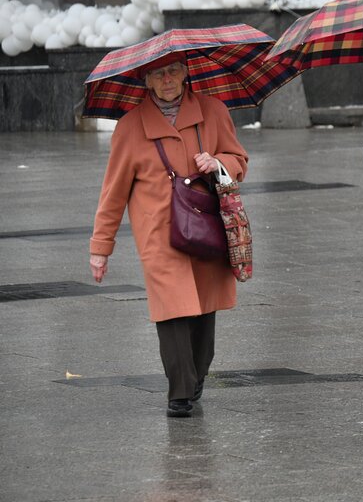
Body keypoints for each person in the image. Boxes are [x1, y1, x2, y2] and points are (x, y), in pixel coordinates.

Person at [89, 51, 248, 418]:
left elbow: (239, 159)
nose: (167, 79)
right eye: (158, 74)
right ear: (146, 81)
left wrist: (219, 163)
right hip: (158, 232)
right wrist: (101, 248)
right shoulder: (130, 127)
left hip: (206, 224)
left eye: (173, 71)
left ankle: (196, 374)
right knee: (173, 308)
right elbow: (112, 192)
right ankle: (179, 391)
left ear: (186, 73)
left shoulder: (214, 111)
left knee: (204, 308)